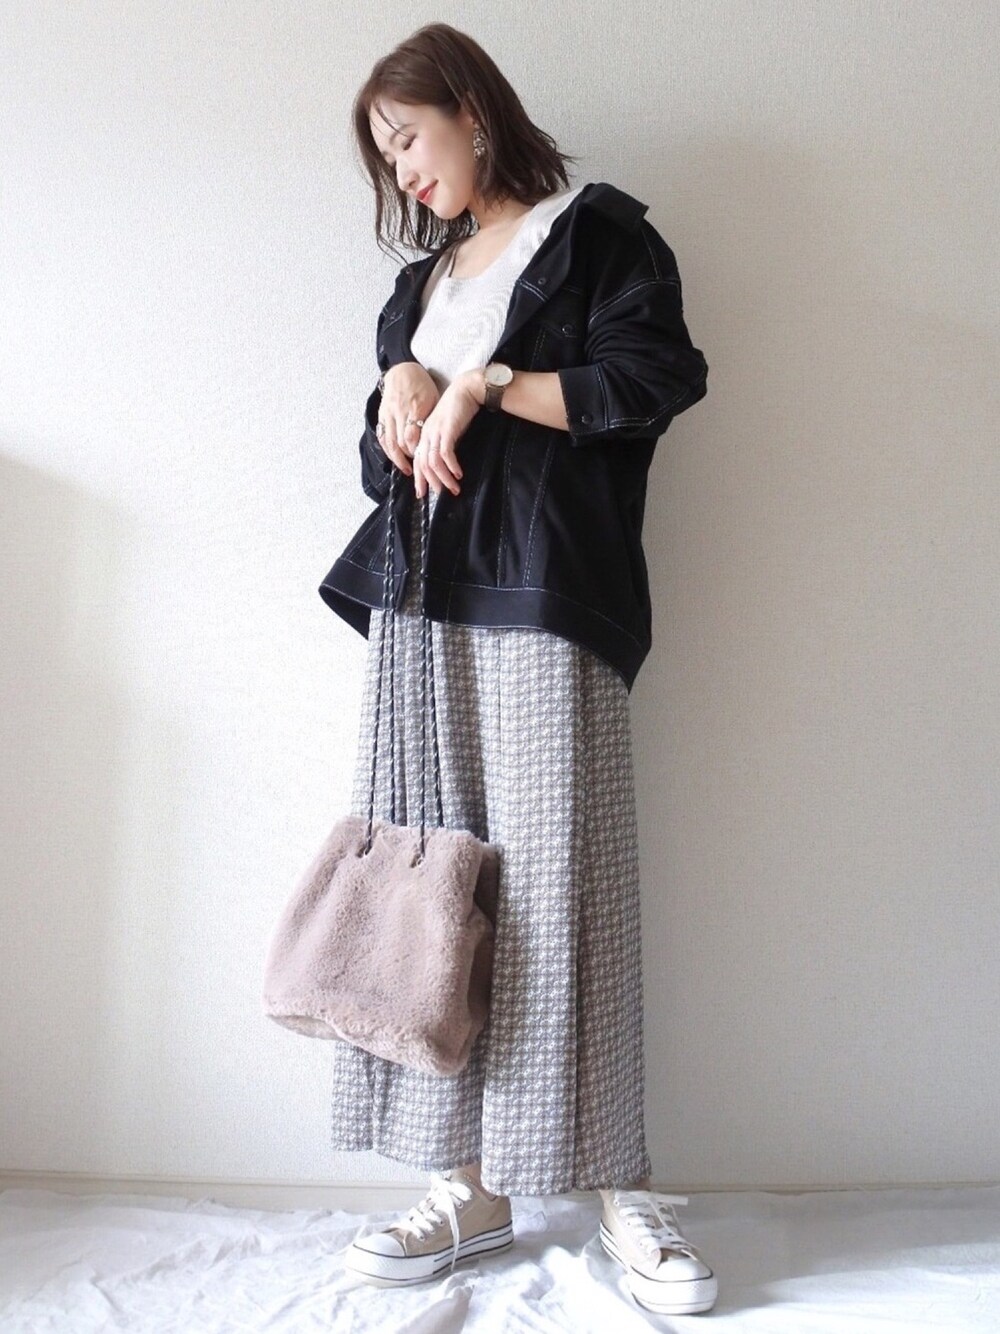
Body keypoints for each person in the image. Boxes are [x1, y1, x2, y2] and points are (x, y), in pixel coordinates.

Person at [319, 22, 716, 1318]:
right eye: (384, 155)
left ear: (474, 113)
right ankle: (469, 1183)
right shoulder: (420, 286)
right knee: (434, 887)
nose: (402, 169)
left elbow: (654, 379)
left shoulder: (593, 235)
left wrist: (485, 381)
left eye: (409, 138)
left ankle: (615, 1184)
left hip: (546, 590)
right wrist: (400, 385)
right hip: (420, 600)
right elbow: (388, 458)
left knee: (559, 886)